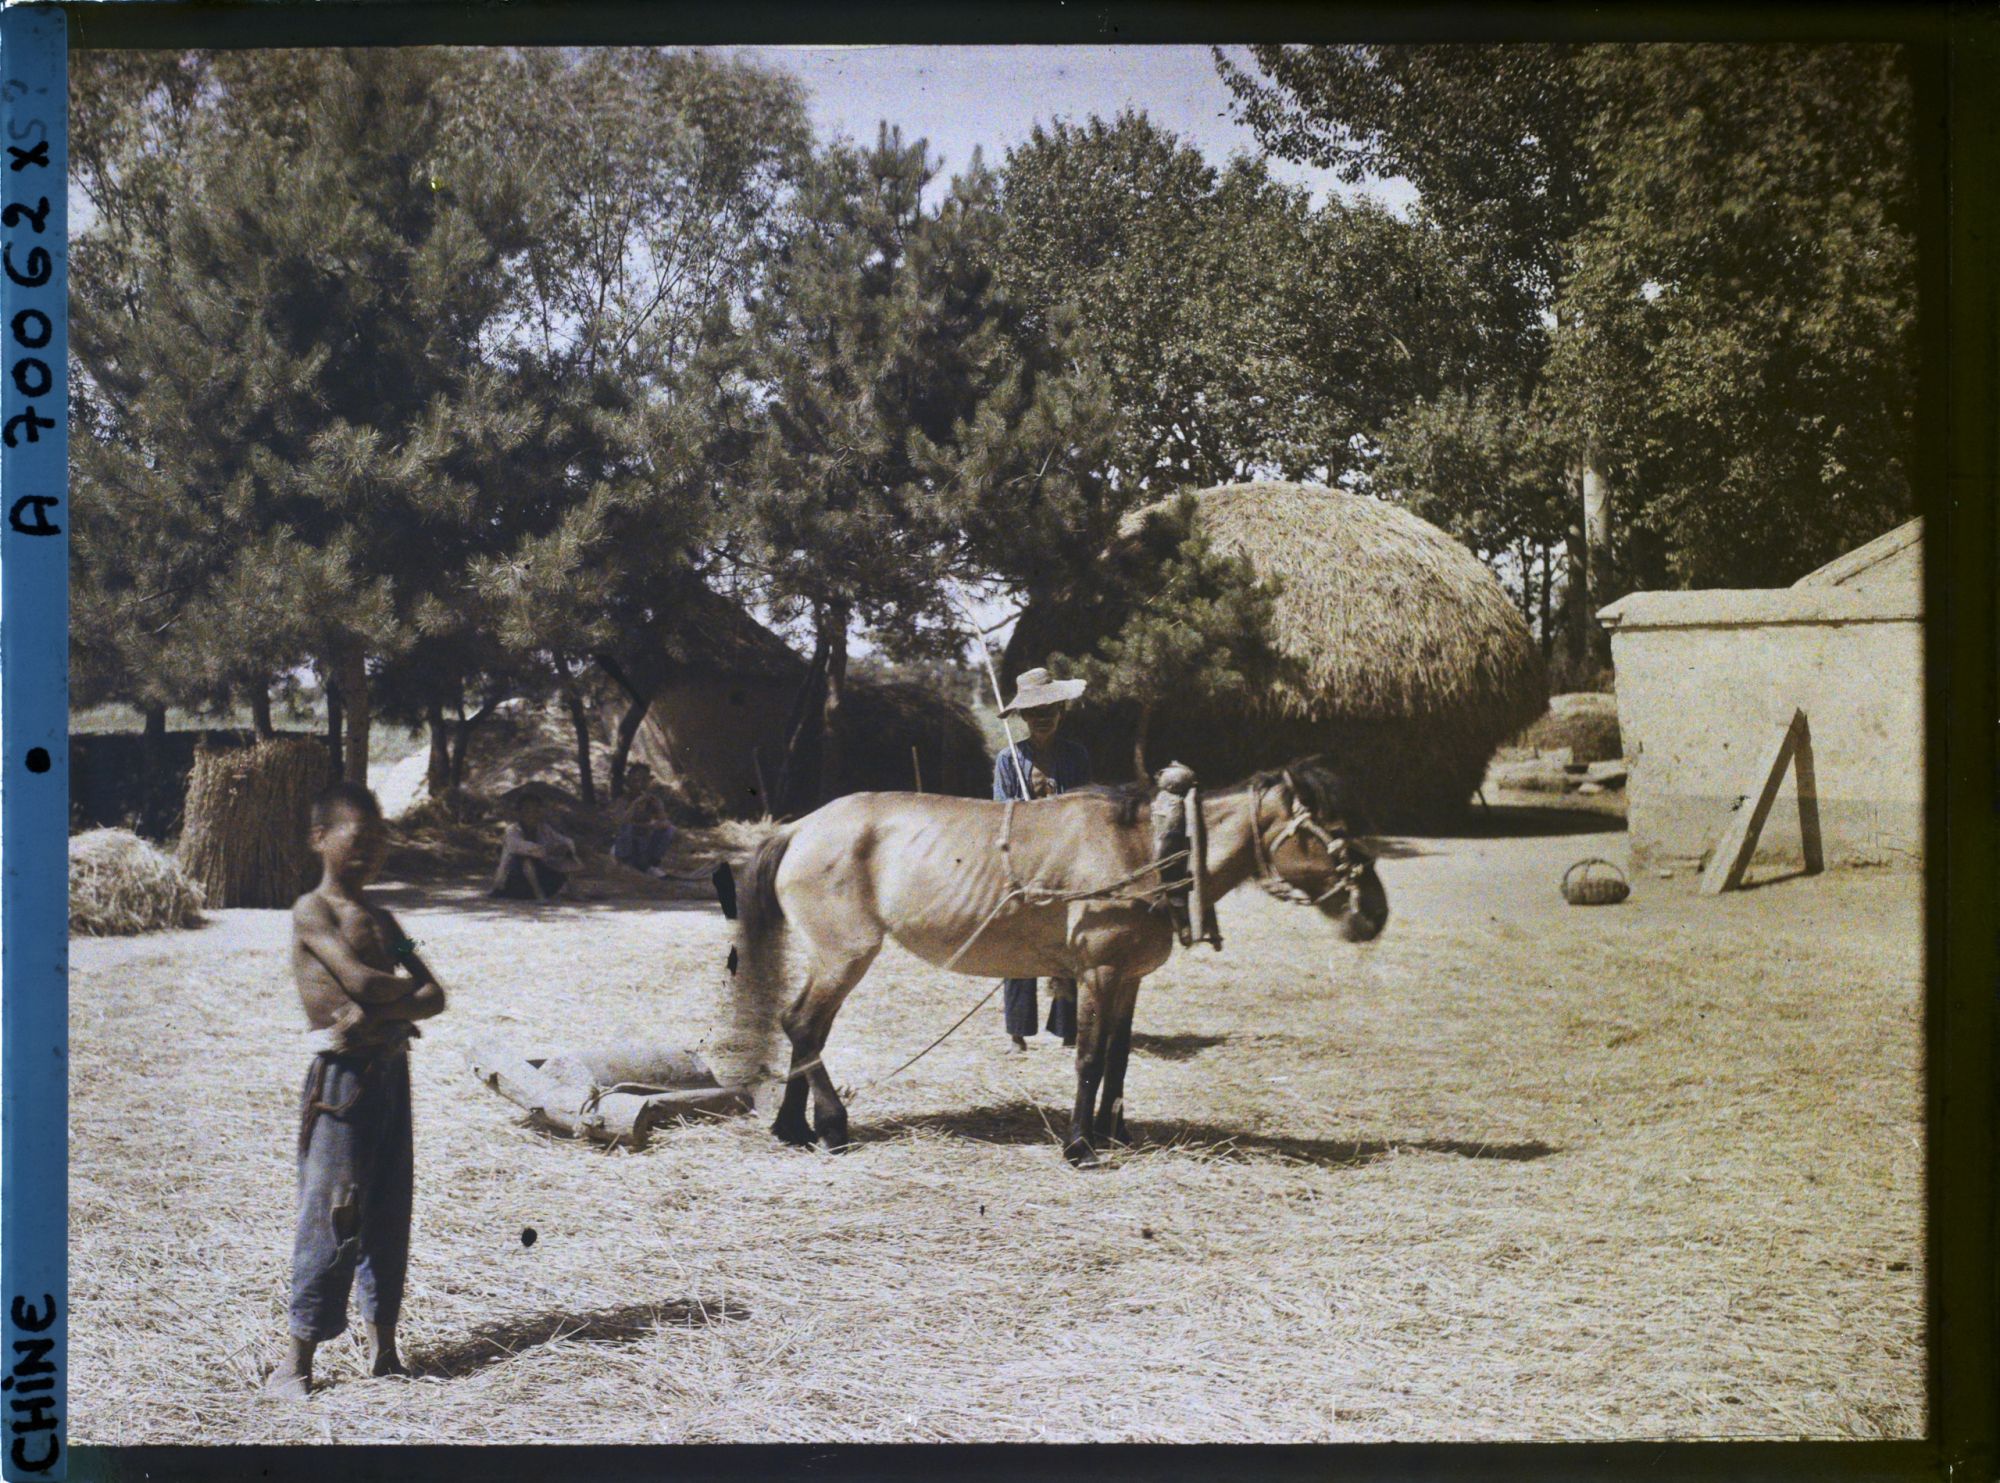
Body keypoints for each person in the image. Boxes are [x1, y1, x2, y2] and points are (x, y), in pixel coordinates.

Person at [268, 781, 447, 1399]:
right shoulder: (311, 912)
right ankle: (295, 1364)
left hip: (389, 1073)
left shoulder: (390, 920)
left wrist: (385, 1014)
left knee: (389, 1206)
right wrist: (395, 1004)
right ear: (320, 839)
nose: (371, 852)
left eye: (380, 840)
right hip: (341, 1084)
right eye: (357, 838)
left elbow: (436, 991)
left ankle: (385, 1351)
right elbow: (361, 981)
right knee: (334, 1213)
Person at [992, 665, 1092, 1051]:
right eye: (1034, 713)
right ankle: (1018, 1032)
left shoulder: (1076, 756)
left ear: (1061, 710)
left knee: (1070, 940)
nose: (1042, 719)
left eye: (1049, 710)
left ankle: (1067, 1027)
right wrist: (1026, 814)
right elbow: (1000, 811)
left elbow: (1085, 807)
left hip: (1068, 859)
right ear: (1022, 717)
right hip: (1025, 861)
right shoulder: (1008, 759)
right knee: (1020, 939)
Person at [489, 792, 582, 902]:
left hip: (542, 880)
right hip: (514, 884)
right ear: (519, 813)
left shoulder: (544, 828)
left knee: (566, 855)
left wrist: (563, 847)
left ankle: (574, 892)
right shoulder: (512, 830)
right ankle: (539, 895)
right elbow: (519, 847)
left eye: (536, 810)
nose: (532, 814)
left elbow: (565, 840)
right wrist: (547, 850)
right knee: (524, 858)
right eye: (527, 811)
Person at [611, 791, 677, 878]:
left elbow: (666, 824)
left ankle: (652, 864)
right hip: (625, 852)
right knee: (629, 829)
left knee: (669, 830)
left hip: (642, 850)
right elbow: (625, 822)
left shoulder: (652, 819)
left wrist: (659, 808)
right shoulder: (628, 822)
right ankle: (630, 864)